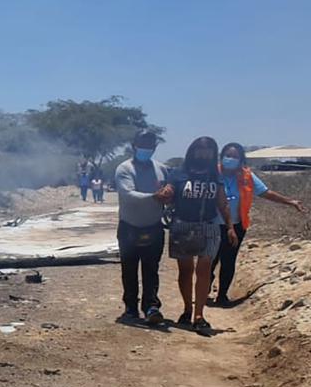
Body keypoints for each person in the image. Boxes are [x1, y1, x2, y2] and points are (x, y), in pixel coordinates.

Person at [211, 143, 307, 306]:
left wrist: (289, 201)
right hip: (211, 224)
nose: (231, 159)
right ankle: (205, 285)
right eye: (228, 155)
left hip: (237, 225)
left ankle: (222, 296)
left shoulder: (246, 176)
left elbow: (265, 192)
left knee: (228, 260)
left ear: (241, 159)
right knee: (210, 259)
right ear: (221, 156)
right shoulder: (212, 173)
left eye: (235, 156)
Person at [162, 137, 236, 336]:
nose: (204, 154)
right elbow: (168, 195)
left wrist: (230, 227)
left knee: (204, 270)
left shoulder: (215, 175)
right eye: (200, 150)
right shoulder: (178, 173)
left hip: (209, 226)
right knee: (186, 271)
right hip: (183, 225)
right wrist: (166, 193)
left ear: (213, 153)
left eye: (209, 150)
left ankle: (199, 315)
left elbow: (222, 203)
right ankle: (187, 309)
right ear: (192, 151)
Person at [115, 131, 172, 324]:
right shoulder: (124, 169)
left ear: (154, 147)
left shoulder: (162, 169)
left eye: (150, 145)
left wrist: (168, 195)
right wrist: (154, 197)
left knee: (151, 269)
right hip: (130, 227)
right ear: (134, 145)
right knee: (129, 269)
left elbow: (169, 191)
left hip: (154, 227)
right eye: (143, 144)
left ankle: (151, 306)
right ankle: (131, 307)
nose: (146, 148)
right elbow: (128, 194)